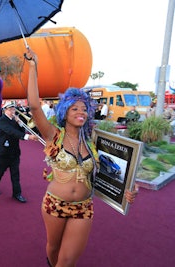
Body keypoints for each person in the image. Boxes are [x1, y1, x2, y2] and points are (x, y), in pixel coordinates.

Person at [25, 49, 139, 266]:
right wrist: (33, 68)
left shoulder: (93, 141)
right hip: (54, 204)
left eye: (84, 108)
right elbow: (34, 106)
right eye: (74, 108)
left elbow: (111, 172)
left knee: (67, 261)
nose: (81, 112)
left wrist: (127, 191)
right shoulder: (53, 135)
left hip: (84, 207)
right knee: (54, 248)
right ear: (65, 112)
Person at [0, 101, 39, 203]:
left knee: (15, 174)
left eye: (13, 109)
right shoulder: (2, 120)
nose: (13, 111)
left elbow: (21, 132)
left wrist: (20, 123)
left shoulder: (15, 120)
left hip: (14, 152)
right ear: (5, 110)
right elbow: (11, 132)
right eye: (10, 109)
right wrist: (28, 137)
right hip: (3, 152)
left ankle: (17, 194)